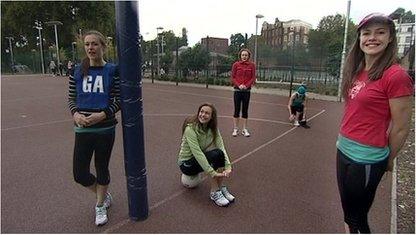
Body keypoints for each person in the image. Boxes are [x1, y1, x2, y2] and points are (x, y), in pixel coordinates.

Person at [336, 13, 413, 233]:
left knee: (357, 219)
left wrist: (389, 160)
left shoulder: (395, 76)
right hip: (343, 149)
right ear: (359, 38)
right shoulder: (357, 71)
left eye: (380, 32)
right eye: (366, 33)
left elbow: (401, 127)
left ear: (390, 38)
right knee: (349, 215)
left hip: (367, 158)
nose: (372, 38)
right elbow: (353, 111)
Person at [67, 30, 120, 226]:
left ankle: (100, 205)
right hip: (83, 128)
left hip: (105, 128)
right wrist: (76, 115)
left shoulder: (113, 71)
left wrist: (103, 114)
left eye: (95, 44)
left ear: (103, 46)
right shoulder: (78, 70)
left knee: (101, 167)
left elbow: (119, 99)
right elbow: (72, 98)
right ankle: (103, 194)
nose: (90, 47)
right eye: (87, 44)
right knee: (79, 173)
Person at [177, 103, 235, 207]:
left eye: (207, 113)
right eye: (201, 112)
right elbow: (198, 153)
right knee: (215, 155)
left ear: (212, 117)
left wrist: (228, 166)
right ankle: (214, 192)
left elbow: (221, 146)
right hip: (186, 164)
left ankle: (220, 187)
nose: (203, 115)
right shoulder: (190, 129)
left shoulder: (213, 129)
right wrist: (212, 172)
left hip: (197, 160)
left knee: (219, 153)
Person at [231, 48, 256, 137]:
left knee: (245, 110)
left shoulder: (252, 65)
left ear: (248, 56)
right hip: (237, 91)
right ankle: (235, 129)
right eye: (243, 55)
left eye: (246, 55)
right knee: (236, 110)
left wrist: (247, 85)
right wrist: (238, 85)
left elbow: (253, 78)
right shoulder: (236, 65)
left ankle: (244, 129)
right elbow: (233, 77)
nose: (244, 57)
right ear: (240, 56)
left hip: (246, 91)